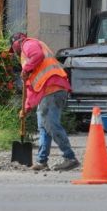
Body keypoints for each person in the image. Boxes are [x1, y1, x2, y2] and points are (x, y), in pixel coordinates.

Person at [10, 32, 79, 172]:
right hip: (47, 91)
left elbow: (38, 55)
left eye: (13, 48)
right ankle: (42, 161)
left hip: (52, 88)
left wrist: (27, 68)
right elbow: (31, 88)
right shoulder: (27, 58)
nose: (14, 52)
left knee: (51, 125)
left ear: (16, 42)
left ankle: (70, 157)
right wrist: (25, 108)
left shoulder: (27, 44)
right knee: (43, 126)